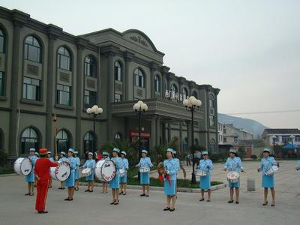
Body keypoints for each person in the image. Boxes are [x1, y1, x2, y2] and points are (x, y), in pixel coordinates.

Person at [34, 148, 58, 214]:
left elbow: (35, 170)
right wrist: (56, 159)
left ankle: (38, 208)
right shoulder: (47, 161)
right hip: (45, 180)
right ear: (45, 154)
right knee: (43, 195)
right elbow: (54, 164)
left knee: (39, 194)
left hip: (39, 180)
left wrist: (37, 177)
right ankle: (41, 209)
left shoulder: (37, 161)